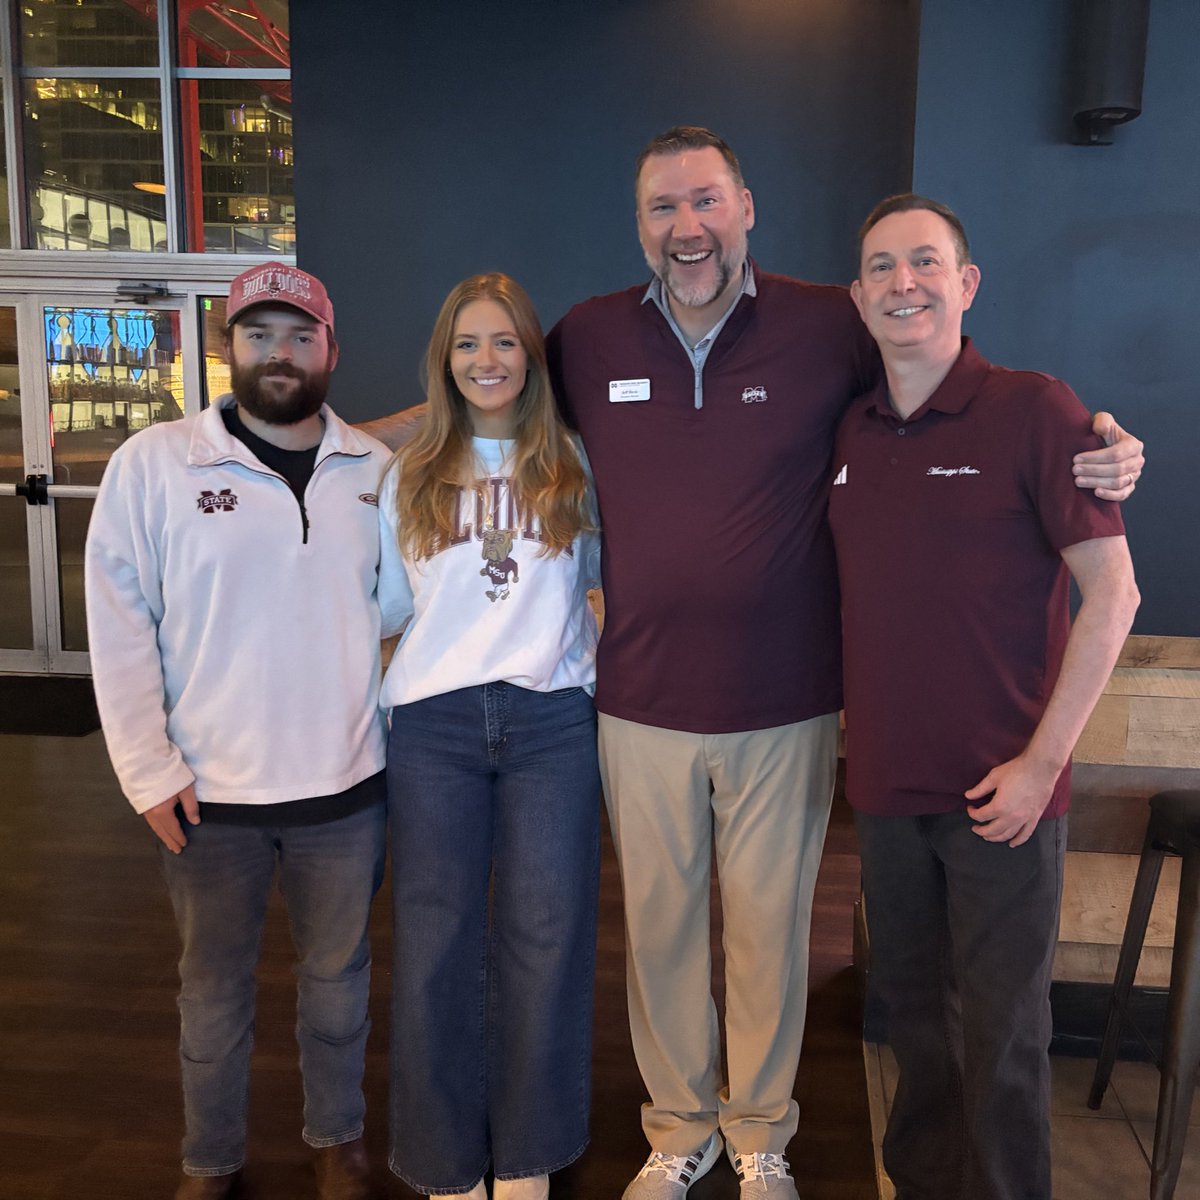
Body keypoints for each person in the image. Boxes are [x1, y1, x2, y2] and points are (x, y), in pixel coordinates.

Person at [543, 126, 1145, 1200]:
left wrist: (1107, 441)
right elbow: (475, 410)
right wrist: (349, 450)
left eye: (707, 201)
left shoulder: (833, 323)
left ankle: (760, 1136)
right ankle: (680, 1133)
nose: (687, 227)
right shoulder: (586, 339)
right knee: (673, 941)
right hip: (642, 699)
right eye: (663, 208)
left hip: (792, 704)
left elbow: (962, 377)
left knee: (779, 943)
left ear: (747, 207)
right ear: (639, 224)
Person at [829, 194, 1139, 1200]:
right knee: (916, 1032)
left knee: (1006, 1046)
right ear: (858, 296)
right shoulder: (851, 430)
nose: (902, 283)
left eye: (925, 263)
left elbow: (1114, 595)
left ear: (965, 284)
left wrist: (1041, 765)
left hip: (1007, 796)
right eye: (882, 267)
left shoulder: (1038, 411)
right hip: (886, 789)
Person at [85, 261, 392, 1200]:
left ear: (332, 349)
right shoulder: (156, 465)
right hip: (207, 796)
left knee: (339, 987)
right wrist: (147, 769)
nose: (281, 354)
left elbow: (408, 614)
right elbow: (118, 614)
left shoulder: (375, 473)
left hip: (346, 787)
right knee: (211, 997)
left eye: (301, 336)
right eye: (259, 335)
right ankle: (209, 1160)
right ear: (229, 349)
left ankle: (337, 1140)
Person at [378, 273, 602, 1200]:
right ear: (445, 361)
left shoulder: (574, 464)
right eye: (467, 344)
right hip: (435, 724)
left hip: (552, 718)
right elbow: (391, 608)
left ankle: (528, 1153)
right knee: (435, 939)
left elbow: (601, 582)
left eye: (503, 342)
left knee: (546, 933)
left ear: (531, 357)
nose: (486, 360)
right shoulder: (412, 471)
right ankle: (442, 1158)